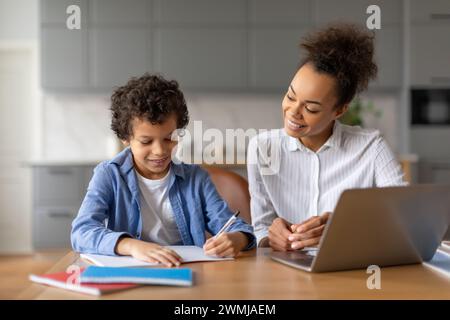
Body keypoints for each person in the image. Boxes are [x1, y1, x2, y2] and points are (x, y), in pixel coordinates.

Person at [247, 23, 407, 252]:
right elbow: (261, 228)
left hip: (350, 265)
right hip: (288, 269)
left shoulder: (371, 147)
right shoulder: (262, 148)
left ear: (339, 110)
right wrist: (270, 238)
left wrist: (345, 225)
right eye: (290, 96)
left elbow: (404, 217)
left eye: (311, 109)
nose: (293, 111)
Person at [71, 74, 255, 267]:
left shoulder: (196, 179)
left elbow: (235, 225)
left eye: (169, 138)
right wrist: (132, 246)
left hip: (184, 270)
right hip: (133, 273)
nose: (160, 151)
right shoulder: (109, 175)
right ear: (125, 138)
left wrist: (237, 238)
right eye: (146, 141)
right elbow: (81, 231)